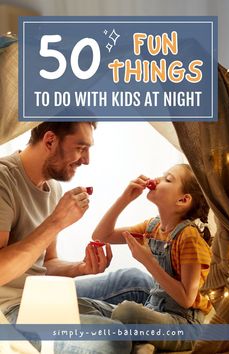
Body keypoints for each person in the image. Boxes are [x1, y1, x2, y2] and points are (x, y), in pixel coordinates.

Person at [0, 121, 142, 353]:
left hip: (44, 295)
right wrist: (56, 221)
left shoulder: (53, 187)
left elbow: (46, 263)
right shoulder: (3, 180)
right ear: (49, 140)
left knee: (135, 281)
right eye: (80, 148)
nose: (86, 160)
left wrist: (81, 268)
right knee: (113, 338)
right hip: (11, 310)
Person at [80, 163, 212, 352]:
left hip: (184, 325)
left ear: (183, 200)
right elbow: (101, 236)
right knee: (80, 303)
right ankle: (136, 342)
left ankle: (129, 339)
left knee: (126, 312)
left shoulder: (189, 237)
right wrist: (124, 199)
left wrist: (148, 261)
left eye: (168, 179)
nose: (157, 180)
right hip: (154, 311)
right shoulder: (153, 227)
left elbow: (186, 299)